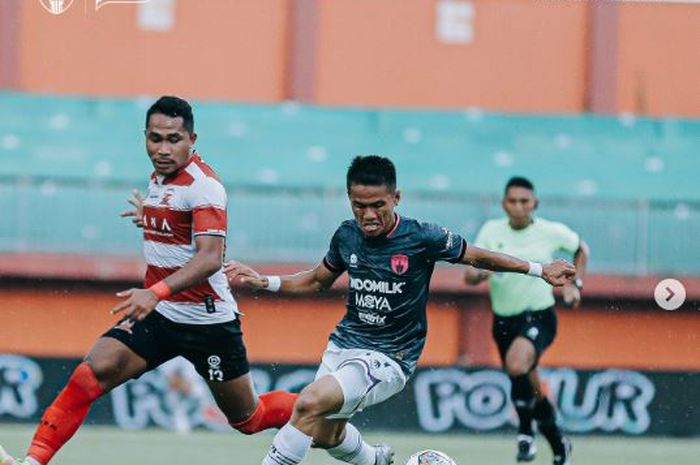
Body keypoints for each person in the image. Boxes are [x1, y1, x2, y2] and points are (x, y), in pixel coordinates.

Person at [0, 96, 295, 465]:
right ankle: (32, 462)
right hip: (162, 316)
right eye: (155, 139)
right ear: (145, 137)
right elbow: (180, 227)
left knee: (249, 420)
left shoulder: (205, 186)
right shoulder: (159, 179)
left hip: (208, 322)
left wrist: (154, 292)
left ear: (192, 139)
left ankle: (321, 409)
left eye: (174, 139)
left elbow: (209, 259)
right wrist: (153, 216)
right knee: (91, 373)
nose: (163, 148)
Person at [224, 156, 576, 465]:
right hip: (343, 346)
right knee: (325, 436)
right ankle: (375, 459)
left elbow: (477, 255)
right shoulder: (347, 235)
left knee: (308, 403)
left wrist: (538, 269)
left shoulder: (422, 236)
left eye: (378, 204)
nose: (368, 214)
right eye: (358, 205)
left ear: (396, 197)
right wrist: (264, 282)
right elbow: (317, 280)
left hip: (390, 357)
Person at [463, 176, 589, 465]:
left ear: (535, 204)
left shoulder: (550, 231)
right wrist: (480, 273)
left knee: (517, 364)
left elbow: (582, 248)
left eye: (525, 201)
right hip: (503, 321)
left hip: (539, 316)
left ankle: (525, 434)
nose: (518, 207)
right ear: (503, 204)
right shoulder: (491, 231)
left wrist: (575, 284)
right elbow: (470, 274)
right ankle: (559, 445)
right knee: (529, 382)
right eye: (513, 201)